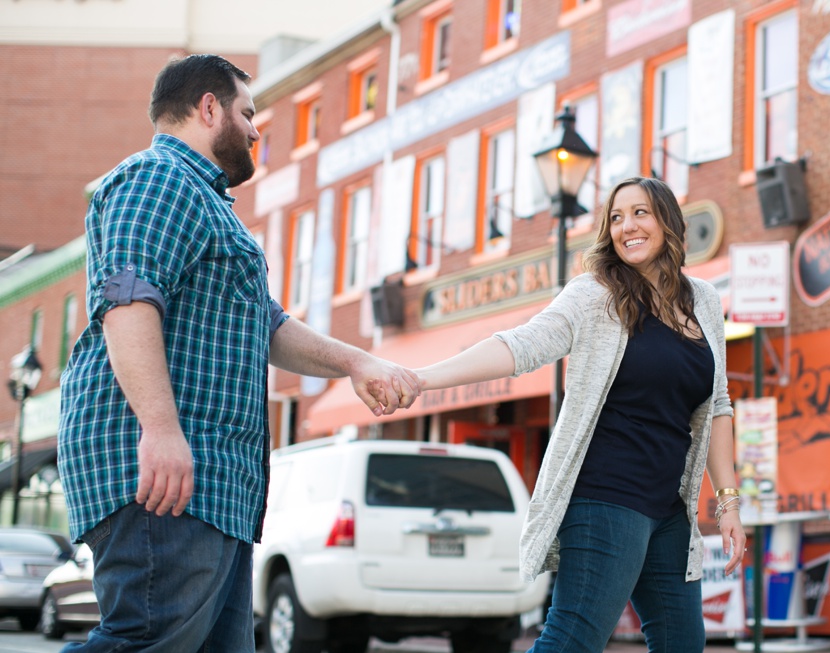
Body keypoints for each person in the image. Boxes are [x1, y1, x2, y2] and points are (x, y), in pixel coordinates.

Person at [57, 54, 419, 652]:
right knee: (146, 641)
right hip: (167, 477)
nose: (255, 130)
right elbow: (128, 303)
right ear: (208, 108)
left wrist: (357, 362)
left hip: (216, 486)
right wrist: (161, 429)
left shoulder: (206, 204)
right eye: (248, 113)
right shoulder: (157, 179)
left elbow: (266, 324)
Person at [415, 176, 746, 652]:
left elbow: (717, 403)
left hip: (669, 508)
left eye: (639, 213)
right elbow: (522, 345)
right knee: (572, 640)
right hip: (605, 499)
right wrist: (424, 378)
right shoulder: (595, 295)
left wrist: (728, 501)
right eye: (615, 217)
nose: (625, 226)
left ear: (668, 221)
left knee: (682, 645)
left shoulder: (704, 301)